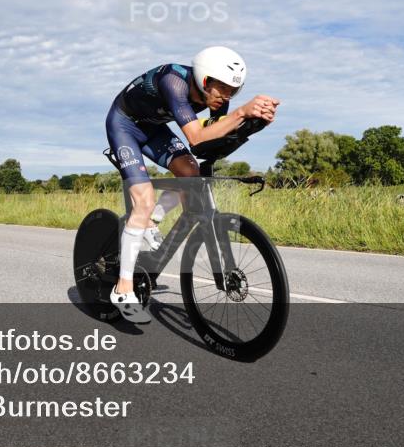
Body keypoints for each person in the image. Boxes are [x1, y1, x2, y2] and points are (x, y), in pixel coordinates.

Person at [105, 46, 279, 323]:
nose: (226, 97)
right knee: (144, 199)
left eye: (234, 92)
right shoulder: (173, 82)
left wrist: (252, 123)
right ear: (204, 81)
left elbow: (210, 142)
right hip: (124, 124)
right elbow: (197, 138)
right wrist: (241, 113)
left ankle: (153, 219)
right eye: (223, 90)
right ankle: (123, 288)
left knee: (190, 171)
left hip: (153, 128)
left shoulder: (218, 99)